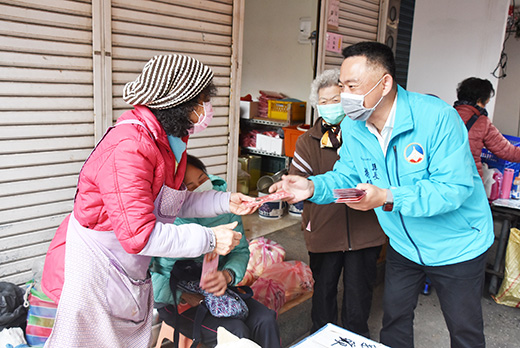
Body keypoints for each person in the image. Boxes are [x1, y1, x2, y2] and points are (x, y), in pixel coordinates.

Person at [270, 41, 494, 348]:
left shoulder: (436, 118)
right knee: (395, 323)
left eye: (352, 86)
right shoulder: (353, 127)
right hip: (403, 245)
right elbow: (347, 175)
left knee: (464, 332)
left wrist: (388, 197)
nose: (346, 95)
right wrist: (312, 187)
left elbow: (451, 189)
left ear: (385, 82)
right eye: (342, 86)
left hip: (456, 246)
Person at [40, 54, 256, 348]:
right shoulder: (130, 148)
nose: (207, 109)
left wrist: (225, 201)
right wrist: (209, 239)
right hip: (96, 268)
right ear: (179, 102)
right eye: (202, 100)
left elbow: (172, 204)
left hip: (123, 268)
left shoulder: (166, 144)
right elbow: (139, 236)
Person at [289, 69, 386, 337]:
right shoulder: (307, 141)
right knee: (324, 292)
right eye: (325, 101)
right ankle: (321, 339)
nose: (330, 106)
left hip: (364, 230)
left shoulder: (367, 135)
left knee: (358, 296)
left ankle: (355, 338)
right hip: (323, 228)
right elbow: (299, 181)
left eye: (336, 99)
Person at [151, 154, 281, 348]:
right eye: (191, 188)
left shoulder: (225, 205)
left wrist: (227, 276)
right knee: (235, 331)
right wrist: (183, 295)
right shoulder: (164, 219)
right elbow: (150, 277)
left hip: (218, 292)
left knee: (265, 319)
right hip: (175, 298)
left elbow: (240, 252)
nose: (201, 189)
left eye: (203, 180)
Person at [454, 77, 520, 179]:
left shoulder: (445, 115)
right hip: (467, 178)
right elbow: (507, 151)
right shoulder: (481, 122)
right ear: (480, 100)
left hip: (441, 176)